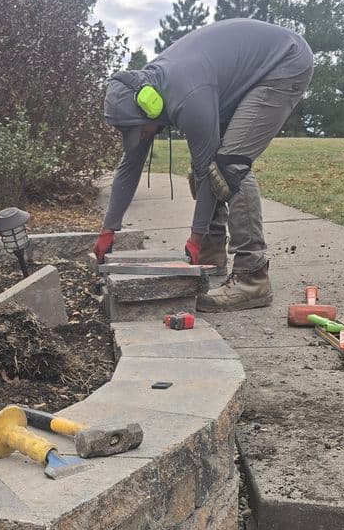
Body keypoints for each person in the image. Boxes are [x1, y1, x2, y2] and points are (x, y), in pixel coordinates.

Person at [94, 18, 314, 312]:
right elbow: (129, 167)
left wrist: (193, 237)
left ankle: (253, 277)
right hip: (236, 76)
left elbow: (208, 168)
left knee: (228, 169)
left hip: (283, 63)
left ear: (151, 106)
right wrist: (108, 229)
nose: (141, 135)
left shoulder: (188, 96)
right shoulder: (148, 94)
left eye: (140, 128)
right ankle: (212, 257)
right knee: (209, 168)